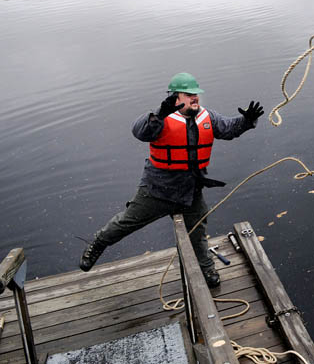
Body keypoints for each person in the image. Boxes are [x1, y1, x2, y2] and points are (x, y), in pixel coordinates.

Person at [79, 72, 264, 288]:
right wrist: (159, 113)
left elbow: (229, 128)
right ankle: (97, 244)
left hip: (190, 191)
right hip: (158, 190)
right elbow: (139, 131)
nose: (195, 97)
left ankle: (206, 270)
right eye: (189, 94)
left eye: (196, 94)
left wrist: (248, 120)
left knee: (197, 232)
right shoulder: (159, 120)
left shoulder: (207, 116)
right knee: (126, 222)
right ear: (176, 98)